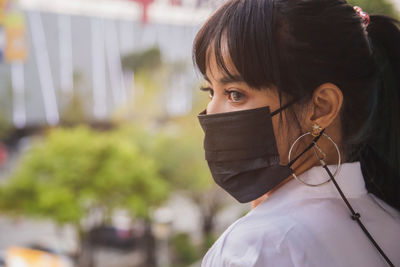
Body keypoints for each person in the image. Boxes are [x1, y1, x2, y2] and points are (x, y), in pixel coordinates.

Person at [193, 0, 400, 266]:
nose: (210, 112)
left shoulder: (256, 248)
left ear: (320, 107)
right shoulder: (391, 224)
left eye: (235, 94)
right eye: (210, 91)